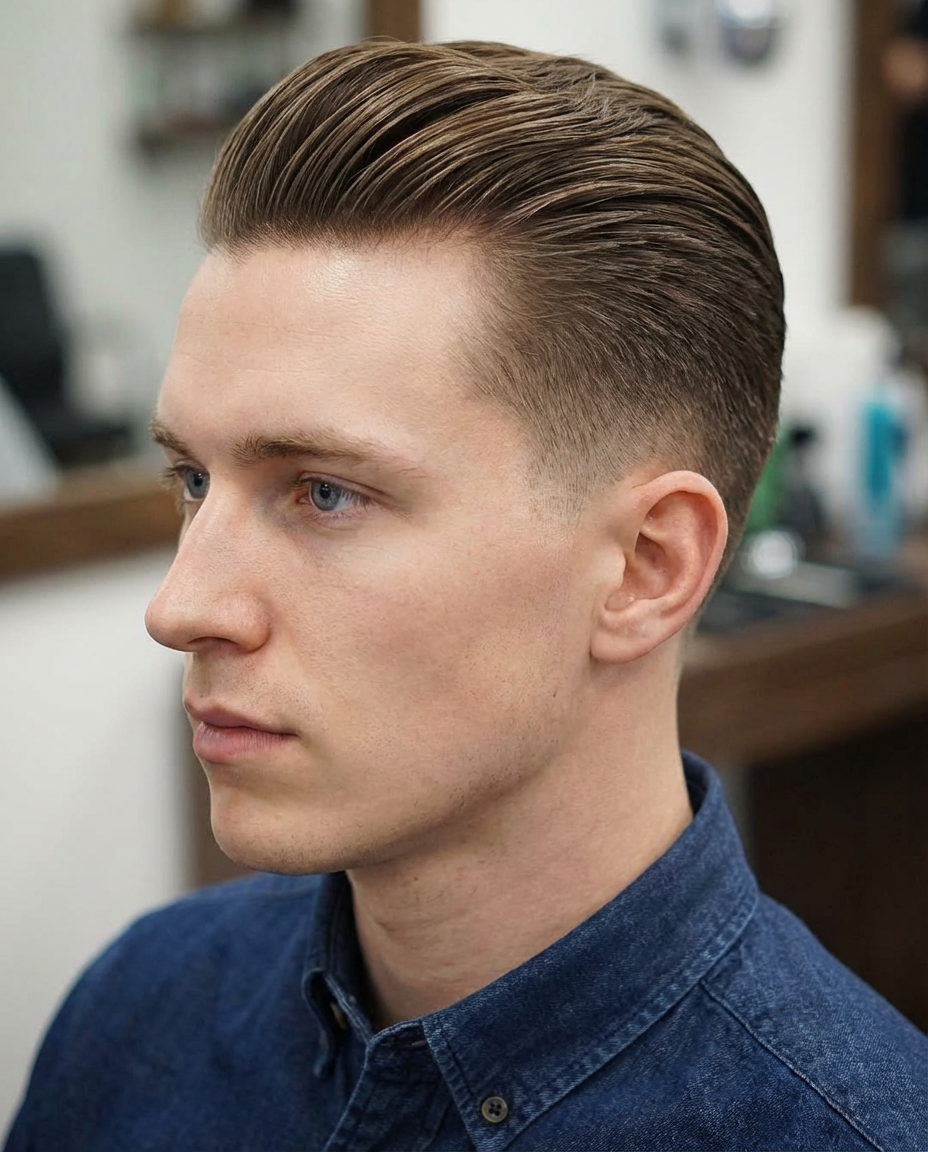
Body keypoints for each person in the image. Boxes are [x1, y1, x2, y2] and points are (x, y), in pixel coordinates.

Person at [5, 39, 926, 1152]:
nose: (181, 606)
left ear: (647, 567)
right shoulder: (137, 1010)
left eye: (326, 493)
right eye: (193, 479)